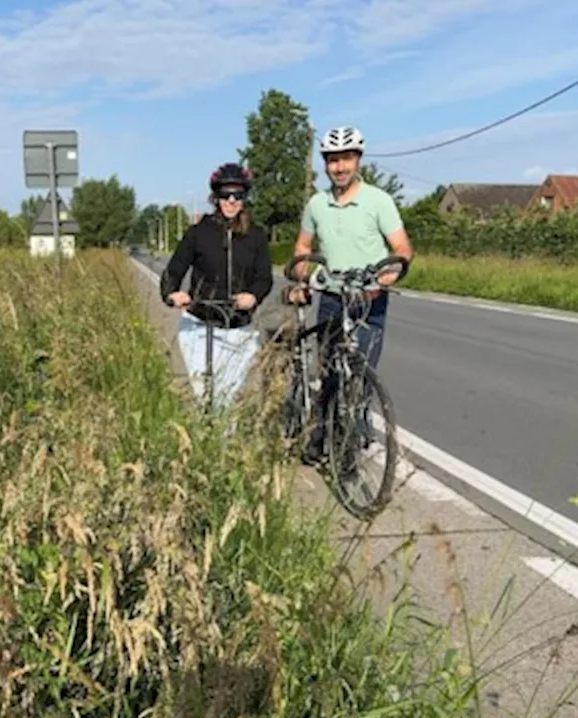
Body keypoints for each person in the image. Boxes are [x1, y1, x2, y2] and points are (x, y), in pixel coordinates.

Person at [284, 125, 414, 464]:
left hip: (368, 299)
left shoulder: (378, 201)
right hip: (331, 297)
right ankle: (319, 432)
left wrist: (388, 274)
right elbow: (302, 247)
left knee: (360, 373)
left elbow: (402, 248)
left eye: (346, 159)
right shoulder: (316, 204)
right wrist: (304, 275)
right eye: (332, 161)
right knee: (328, 371)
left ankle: (351, 438)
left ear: (358, 160)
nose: (339, 168)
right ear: (325, 164)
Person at [159, 162, 274, 410]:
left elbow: (264, 277)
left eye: (238, 195)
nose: (231, 201)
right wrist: (172, 294)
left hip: (238, 328)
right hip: (199, 326)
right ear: (215, 197)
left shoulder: (256, 235)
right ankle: (205, 442)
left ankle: (222, 445)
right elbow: (174, 271)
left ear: (245, 197)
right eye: (225, 195)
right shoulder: (198, 233)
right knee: (204, 396)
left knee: (228, 399)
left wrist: (253, 296)